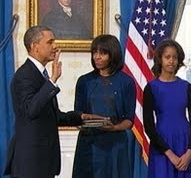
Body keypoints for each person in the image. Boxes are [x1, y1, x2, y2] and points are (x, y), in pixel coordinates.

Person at [3, 25, 103, 178]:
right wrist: (53, 80)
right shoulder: (24, 76)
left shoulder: (40, 74)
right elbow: (31, 110)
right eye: (50, 42)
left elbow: (53, 116)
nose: (55, 46)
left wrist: (80, 117)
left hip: (44, 161)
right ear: (34, 46)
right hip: (30, 162)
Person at [72, 34, 136, 178]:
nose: (97, 57)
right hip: (89, 144)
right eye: (95, 52)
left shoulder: (126, 82)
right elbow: (77, 115)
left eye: (103, 53)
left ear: (113, 54)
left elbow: (129, 120)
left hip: (115, 145)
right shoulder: (84, 81)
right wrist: (83, 123)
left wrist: (115, 127)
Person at [143, 39, 191, 178]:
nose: (171, 61)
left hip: (186, 144)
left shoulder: (186, 87)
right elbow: (149, 127)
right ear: (160, 59)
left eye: (175, 57)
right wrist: (169, 154)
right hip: (162, 146)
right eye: (167, 57)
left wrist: (190, 152)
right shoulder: (151, 88)